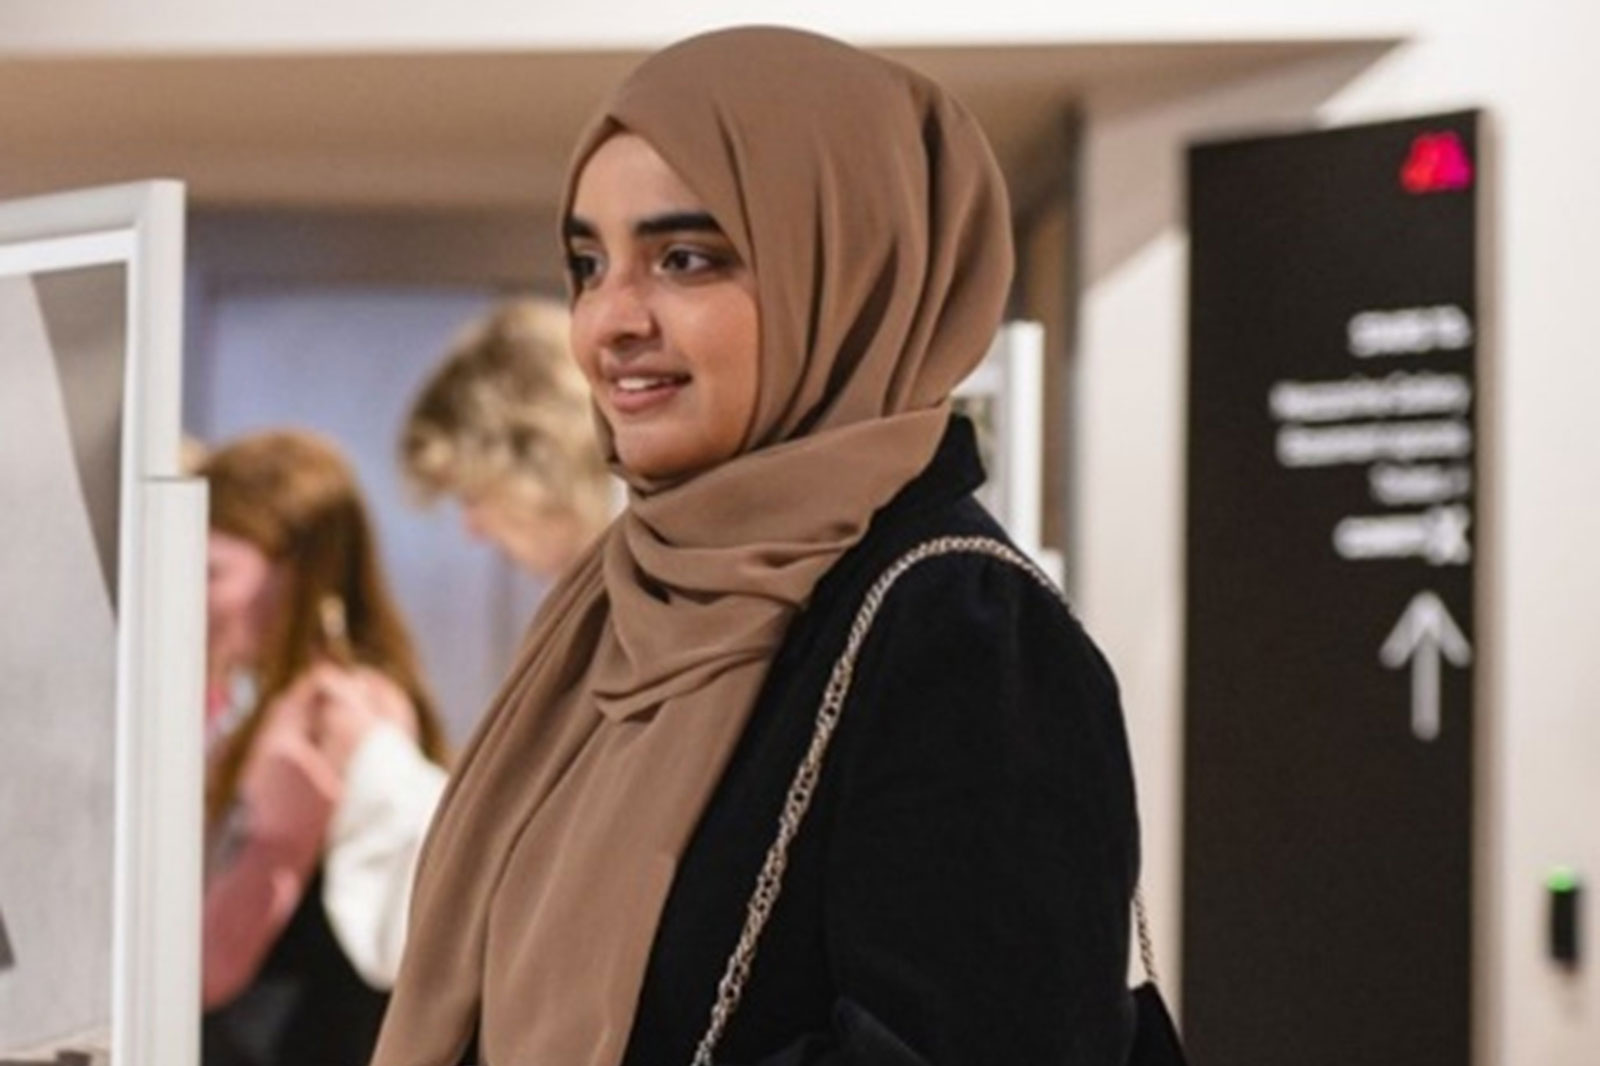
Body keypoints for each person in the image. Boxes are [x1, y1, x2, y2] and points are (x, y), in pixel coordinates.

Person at [372, 26, 1139, 1066]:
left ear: (850, 270)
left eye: (685, 259)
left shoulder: (959, 633)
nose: (610, 322)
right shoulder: (613, 608)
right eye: (588, 265)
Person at [199, 429, 451, 1066]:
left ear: (291, 573)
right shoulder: (313, 700)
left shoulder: (335, 714)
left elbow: (214, 965)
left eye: (213, 572)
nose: (193, 596)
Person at [400, 297, 612, 577]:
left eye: (473, 497)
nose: (472, 530)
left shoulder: (670, 573)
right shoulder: (609, 580)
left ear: (537, 460)